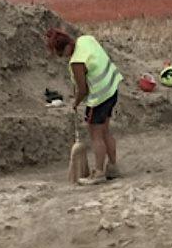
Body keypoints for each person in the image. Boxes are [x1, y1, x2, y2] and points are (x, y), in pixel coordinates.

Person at [46, 28, 122, 185]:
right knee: (106, 131)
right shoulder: (86, 39)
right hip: (112, 88)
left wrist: (75, 103)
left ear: (65, 48)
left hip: (99, 98)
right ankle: (113, 167)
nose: (62, 57)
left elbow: (83, 89)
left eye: (60, 54)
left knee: (96, 135)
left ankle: (99, 172)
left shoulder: (77, 62)